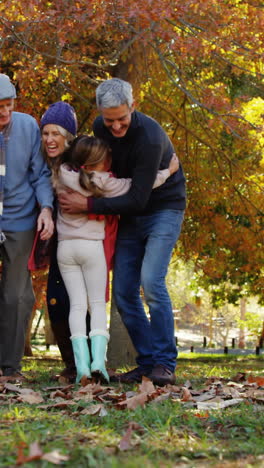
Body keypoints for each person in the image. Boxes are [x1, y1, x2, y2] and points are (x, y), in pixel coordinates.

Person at [58, 78, 186, 386]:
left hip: (162, 208)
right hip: (126, 211)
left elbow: (139, 197)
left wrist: (88, 205)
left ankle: (165, 363)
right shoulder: (100, 128)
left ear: (133, 106)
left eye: (122, 119)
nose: (115, 127)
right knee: (123, 291)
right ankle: (146, 362)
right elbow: (100, 175)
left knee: (151, 282)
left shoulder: (150, 137)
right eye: (109, 119)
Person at [0, 74, 54, 379]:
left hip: (20, 218)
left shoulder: (27, 126)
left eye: (8, 106)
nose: (4, 113)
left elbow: (40, 174)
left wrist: (46, 207)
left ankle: (9, 367)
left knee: (15, 293)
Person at [40, 101, 89, 382]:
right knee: (57, 301)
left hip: (83, 239)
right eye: (45, 133)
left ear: (67, 135)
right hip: (60, 241)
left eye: (55, 133)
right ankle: (72, 364)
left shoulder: (79, 157)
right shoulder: (49, 162)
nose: (49, 139)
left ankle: (83, 365)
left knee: (77, 301)